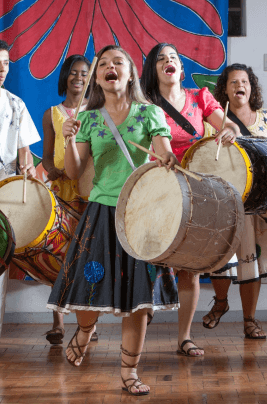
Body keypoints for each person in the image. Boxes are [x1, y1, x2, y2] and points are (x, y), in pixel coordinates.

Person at [47, 45, 179, 396]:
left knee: (140, 299)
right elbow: (74, 172)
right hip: (101, 212)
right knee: (89, 285)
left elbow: (163, 149)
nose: (109, 67)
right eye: (103, 64)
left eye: (117, 62)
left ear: (131, 73)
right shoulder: (88, 118)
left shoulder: (149, 113)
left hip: (141, 213)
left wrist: (166, 158)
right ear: (98, 79)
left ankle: (129, 370)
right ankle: (86, 330)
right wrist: (70, 140)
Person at [140, 43, 241, 357]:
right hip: (159, 190)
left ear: (180, 69)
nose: (169, 61)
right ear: (153, 71)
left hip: (198, 193)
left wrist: (229, 131)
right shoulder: (144, 105)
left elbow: (229, 125)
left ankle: (184, 337)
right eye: (161, 59)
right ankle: (137, 339)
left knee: (191, 268)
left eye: (173, 57)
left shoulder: (201, 98)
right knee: (149, 264)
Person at [202, 63, 267, 339]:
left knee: (250, 260)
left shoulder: (265, 119)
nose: (239, 86)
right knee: (221, 258)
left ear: (251, 88)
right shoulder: (213, 121)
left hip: (259, 206)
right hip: (226, 202)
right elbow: (204, 160)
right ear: (225, 90)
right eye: (233, 82)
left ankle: (250, 320)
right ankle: (220, 302)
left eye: (244, 81)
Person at [42, 55, 98, 344]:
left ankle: (88, 322)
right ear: (65, 76)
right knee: (61, 257)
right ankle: (59, 324)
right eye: (74, 72)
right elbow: (48, 156)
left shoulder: (98, 111)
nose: (79, 77)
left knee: (88, 256)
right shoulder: (52, 113)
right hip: (63, 194)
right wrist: (53, 170)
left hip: (91, 193)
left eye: (84, 73)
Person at [0, 39, 41, 336]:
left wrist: (26, 164)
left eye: (6, 64)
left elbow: (24, 150)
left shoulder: (15, 104)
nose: (1, 69)